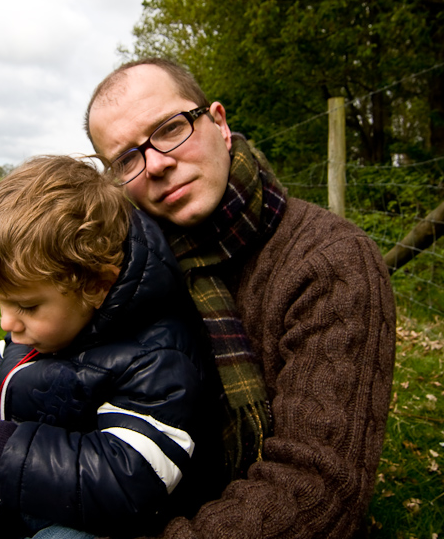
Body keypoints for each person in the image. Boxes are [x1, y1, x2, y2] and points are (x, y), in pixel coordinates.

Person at [84, 58, 397, 539]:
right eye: (127, 158)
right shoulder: (127, 266)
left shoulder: (331, 262)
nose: (157, 164)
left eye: (170, 129)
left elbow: (316, 492)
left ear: (220, 124)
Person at [0, 155, 227, 539]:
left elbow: (128, 478)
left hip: (109, 519)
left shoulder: (157, 356)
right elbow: (1, 369)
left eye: (27, 305)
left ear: (97, 285)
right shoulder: (48, 329)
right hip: (25, 489)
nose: (7, 323)